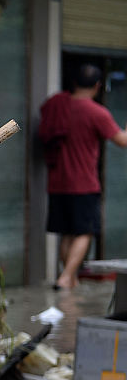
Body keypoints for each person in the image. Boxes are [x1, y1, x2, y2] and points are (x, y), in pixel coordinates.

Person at [38, 63, 127, 289]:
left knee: (67, 233)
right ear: (98, 86)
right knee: (85, 232)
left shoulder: (56, 104)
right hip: (83, 183)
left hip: (58, 182)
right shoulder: (97, 112)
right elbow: (122, 141)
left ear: (75, 82)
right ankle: (66, 276)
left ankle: (70, 278)